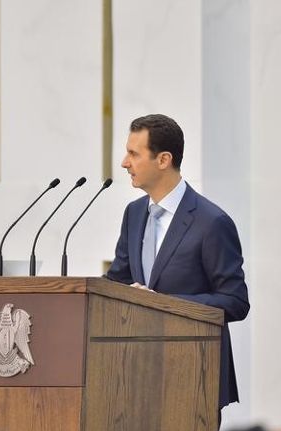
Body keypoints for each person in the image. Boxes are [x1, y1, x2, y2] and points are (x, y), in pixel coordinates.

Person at [106, 113, 249, 415]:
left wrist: (161, 305)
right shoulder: (133, 214)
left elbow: (235, 302)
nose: (124, 163)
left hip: (192, 377)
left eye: (133, 153)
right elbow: (115, 285)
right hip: (133, 377)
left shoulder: (212, 223)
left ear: (163, 159)